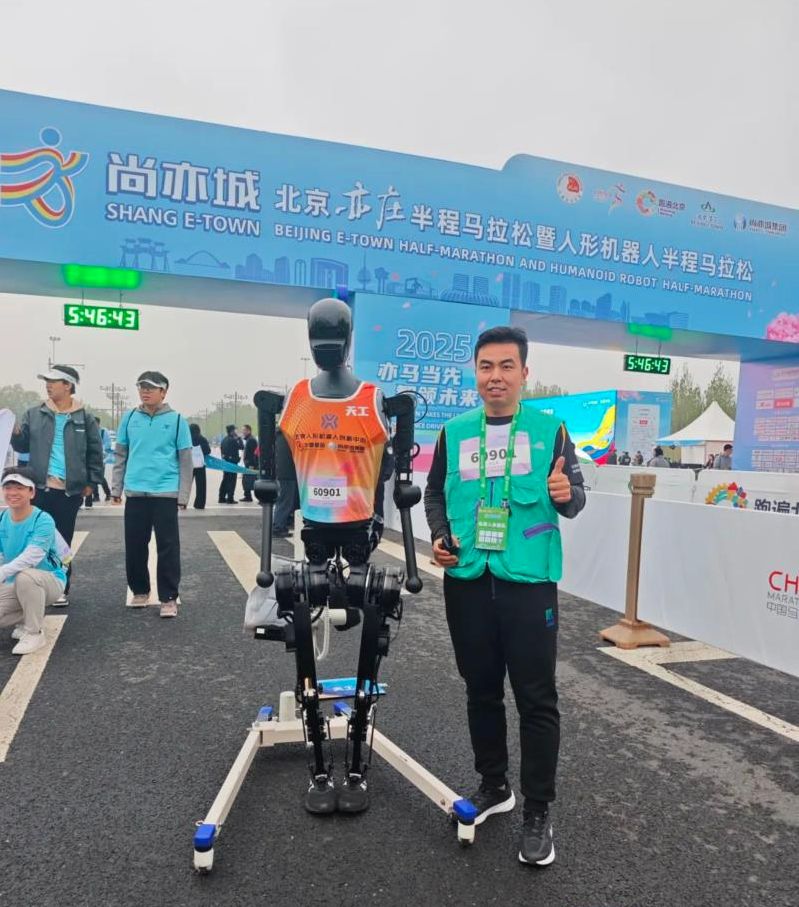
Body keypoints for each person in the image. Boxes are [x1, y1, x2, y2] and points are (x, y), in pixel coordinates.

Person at [424, 325, 585, 868]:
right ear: (475, 373)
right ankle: (495, 785)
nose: (496, 376)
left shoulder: (550, 430)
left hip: (528, 583)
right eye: (486, 366)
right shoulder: (453, 432)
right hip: (468, 580)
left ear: (524, 373)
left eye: (506, 366)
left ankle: (538, 810)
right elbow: (434, 494)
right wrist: (440, 536)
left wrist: (566, 493)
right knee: (481, 689)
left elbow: (575, 498)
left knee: (536, 699)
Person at [11, 365, 104, 606]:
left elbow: (95, 452)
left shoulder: (84, 418)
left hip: (68, 491)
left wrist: (91, 482)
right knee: (34, 538)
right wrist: (15, 433)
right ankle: (32, 586)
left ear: (68, 385)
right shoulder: (34, 414)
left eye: (53, 381)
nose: (48, 385)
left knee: (62, 540)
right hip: (39, 488)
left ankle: (61, 585)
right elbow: (22, 446)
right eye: (47, 381)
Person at [111, 371, 192, 618]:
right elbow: (121, 455)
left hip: (165, 493)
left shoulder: (177, 421)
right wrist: (116, 489)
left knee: (168, 546)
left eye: (151, 388)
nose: (145, 392)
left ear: (163, 392)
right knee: (135, 544)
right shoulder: (129, 418)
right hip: (136, 492)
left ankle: (168, 597)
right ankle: (140, 590)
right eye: (142, 387)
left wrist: (183, 495)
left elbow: (185, 460)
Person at [0, 467, 67, 655]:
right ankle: (27, 616)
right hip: (14, 582)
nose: (13, 493)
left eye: (19, 488)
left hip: (49, 580)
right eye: (8, 487)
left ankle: (34, 633)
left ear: (32, 492)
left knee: (26, 576)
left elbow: (32, 556)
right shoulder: (2, 518)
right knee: (21, 578)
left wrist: (2, 573)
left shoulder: (43, 520)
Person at [272, 428, 299, 537]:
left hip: (282, 473)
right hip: (288, 474)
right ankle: (278, 527)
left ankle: (282, 523)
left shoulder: (279, 437)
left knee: (284, 501)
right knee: (285, 502)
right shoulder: (288, 438)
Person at [83, 416, 112, 508]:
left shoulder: (103, 432)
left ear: (98, 424)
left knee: (100, 477)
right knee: (90, 477)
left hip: (102, 459)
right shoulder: (87, 431)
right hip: (89, 458)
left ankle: (108, 493)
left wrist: (101, 451)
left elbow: (107, 445)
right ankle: (94, 497)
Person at [218, 424, 242, 504]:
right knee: (232, 481)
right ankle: (230, 498)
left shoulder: (224, 440)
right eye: (235, 430)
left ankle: (221, 497)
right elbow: (241, 446)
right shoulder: (233, 440)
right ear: (232, 431)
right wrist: (239, 438)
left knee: (225, 480)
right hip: (232, 463)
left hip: (225, 463)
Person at [189, 423, 211, 510]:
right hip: (200, 465)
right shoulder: (202, 439)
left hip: (189, 465)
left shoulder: (187, 439)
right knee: (201, 485)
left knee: (186, 485)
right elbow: (208, 451)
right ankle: (199, 504)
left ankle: (182, 503)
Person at [240, 424, 258, 502]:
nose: (243, 432)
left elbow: (254, 454)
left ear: (249, 431)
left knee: (249, 481)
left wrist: (252, 464)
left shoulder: (251, 440)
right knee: (247, 481)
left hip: (250, 464)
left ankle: (249, 496)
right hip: (248, 463)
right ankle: (247, 496)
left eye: (244, 430)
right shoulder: (249, 439)